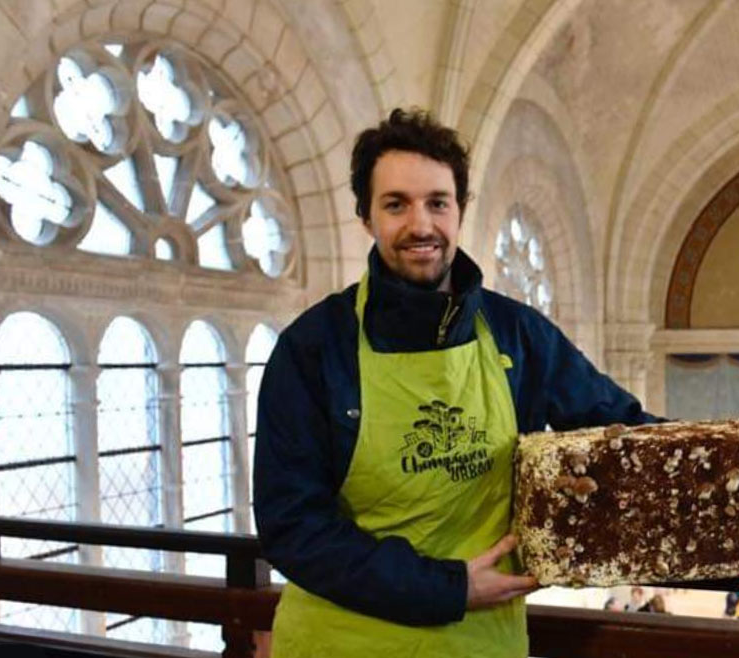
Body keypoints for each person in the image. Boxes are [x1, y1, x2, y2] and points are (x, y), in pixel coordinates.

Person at [253, 108, 658, 658]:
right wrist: (448, 587)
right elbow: (292, 525)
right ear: (366, 218)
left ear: (460, 210)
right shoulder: (313, 348)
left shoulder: (518, 335)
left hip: (479, 643)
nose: (420, 225)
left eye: (437, 202)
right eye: (396, 204)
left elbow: (621, 432)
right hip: (340, 641)